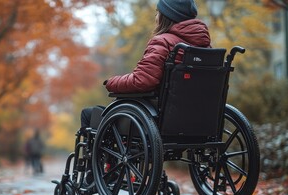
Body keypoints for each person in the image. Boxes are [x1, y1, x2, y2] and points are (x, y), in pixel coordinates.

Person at [80, 0, 211, 129]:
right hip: (198, 120)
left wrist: (111, 82)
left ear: (166, 16)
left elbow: (142, 80)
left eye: (157, 13)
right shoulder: (207, 49)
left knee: (88, 114)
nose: (156, 17)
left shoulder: (163, 42)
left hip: (158, 120)